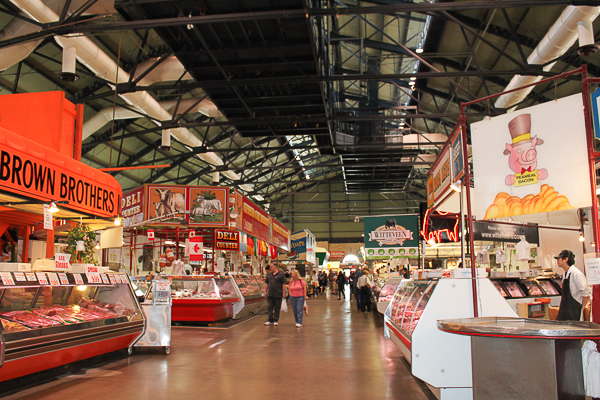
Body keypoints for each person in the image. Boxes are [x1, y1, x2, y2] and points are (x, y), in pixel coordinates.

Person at [554, 250, 591, 321]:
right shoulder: (565, 274)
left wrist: (582, 306)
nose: (557, 260)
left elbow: (586, 291)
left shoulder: (576, 273)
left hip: (574, 312)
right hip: (565, 311)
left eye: (559, 258)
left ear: (566, 259)